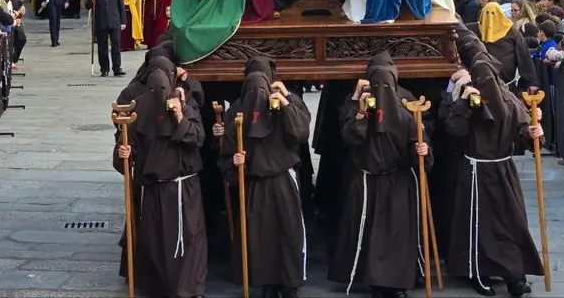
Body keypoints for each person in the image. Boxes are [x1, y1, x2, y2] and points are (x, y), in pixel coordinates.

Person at [444, 32, 544, 297]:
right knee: (477, 223)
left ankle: (515, 275)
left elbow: (525, 134)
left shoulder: (510, 100)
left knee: (511, 222)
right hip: (474, 171)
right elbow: (453, 130)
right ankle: (478, 271)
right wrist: (465, 104)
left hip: (502, 170)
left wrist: (534, 134)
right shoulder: (463, 96)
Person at [328, 53, 430, 298]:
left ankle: (395, 283)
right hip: (367, 181)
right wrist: (360, 112)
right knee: (371, 233)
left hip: (396, 183)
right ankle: (374, 280)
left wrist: (423, 150)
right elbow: (351, 137)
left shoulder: (407, 113)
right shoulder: (359, 107)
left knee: (395, 235)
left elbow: (419, 145)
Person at [113, 56, 207, 298]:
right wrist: (124, 153)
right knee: (155, 243)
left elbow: (197, 138)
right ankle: (157, 286)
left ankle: (190, 287)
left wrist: (178, 117)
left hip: (182, 189)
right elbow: (125, 150)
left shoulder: (185, 106)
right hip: (152, 189)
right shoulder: (135, 112)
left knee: (187, 238)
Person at [218, 57, 311, 298]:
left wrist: (286, 102)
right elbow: (226, 155)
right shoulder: (238, 115)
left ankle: (289, 283)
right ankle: (266, 282)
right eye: (252, 90)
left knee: (288, 234)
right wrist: (235, 162)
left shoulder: (283, 106)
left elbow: (300, 133)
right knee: (260, 238)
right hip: (254, 184)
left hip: (283, 181)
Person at [85, 0, 127, 77]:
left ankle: (117, 68)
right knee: (102, 46)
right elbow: (87, 6)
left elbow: (121, 5)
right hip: (101, 20)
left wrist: (123, 21)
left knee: (116, 45)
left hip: (114, 20)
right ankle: (104, 68)